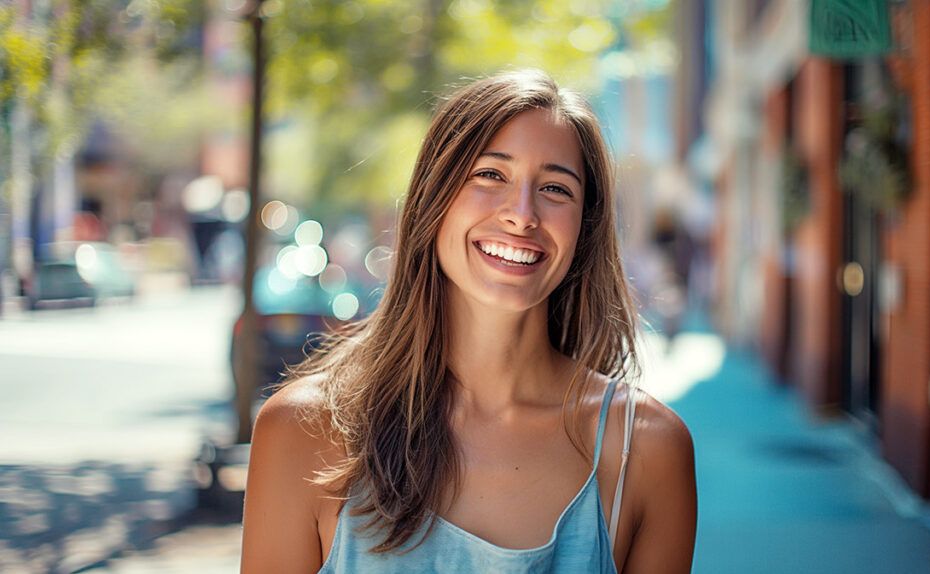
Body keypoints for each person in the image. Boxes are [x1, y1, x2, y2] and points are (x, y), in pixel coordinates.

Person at [240, 69, 697, 573]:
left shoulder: (646, 450)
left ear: (584, 229)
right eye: (491, 175)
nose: (522, 214)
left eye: (555, 188)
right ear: (432, 201)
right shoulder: (304, 429)